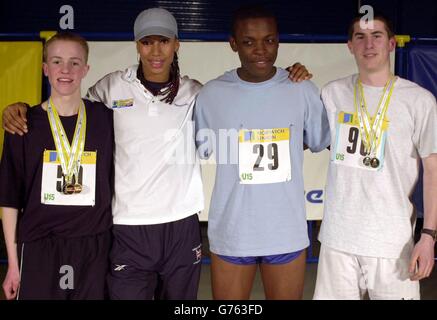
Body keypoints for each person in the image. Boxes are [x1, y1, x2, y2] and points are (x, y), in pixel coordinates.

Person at [1, 8, 311, 300]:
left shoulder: (197, 93)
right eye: (147, 42)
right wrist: (22, 110)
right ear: (137, 45)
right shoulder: (111, 88)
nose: (156, 51)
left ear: (176, 44)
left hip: (181, 226)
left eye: (163, 41)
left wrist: (282, 75)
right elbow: (68, 107)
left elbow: (246, 93)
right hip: (127, 227)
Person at [194, 5, 330, 300]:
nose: (261, 50)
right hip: (232, 230)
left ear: (278, 40)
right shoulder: (211, 94)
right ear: (233, 44)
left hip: (285, 229)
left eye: (269, 40)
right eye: (249, 42)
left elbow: (317, 140)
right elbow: (203, 149)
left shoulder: (301, 89)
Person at [314, 13, 437, 300]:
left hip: (392, 244)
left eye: (377, 36)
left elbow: (433, 170)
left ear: (392, 43)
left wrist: (429, 236)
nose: (369, 44)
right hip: (338, 240)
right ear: (350, 45)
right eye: (360, 36)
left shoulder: (419, 101)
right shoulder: (332, 94)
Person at [0, 32, 114, 300]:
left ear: (86, 69)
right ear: (44, 68)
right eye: (57, 61)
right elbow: (9, 199)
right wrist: (13, 264)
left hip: (94, 245)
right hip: (40, 245)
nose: (65, 70)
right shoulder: (23, 123)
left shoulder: (104, 119)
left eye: (75, 62)